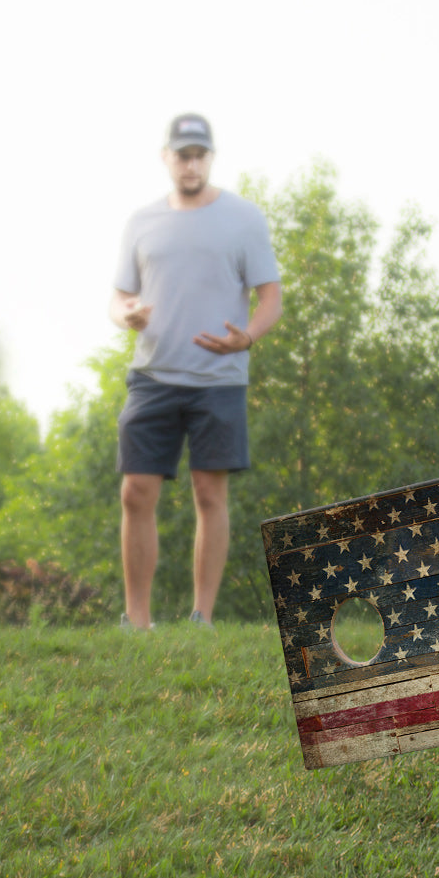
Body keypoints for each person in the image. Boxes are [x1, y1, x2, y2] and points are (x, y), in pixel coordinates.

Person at [110, 113, 282, 630]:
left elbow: (271, 297)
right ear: (167, 157)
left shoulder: (244, 218)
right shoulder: (140, 221)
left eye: (199, 154)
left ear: (210, 157)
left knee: (210, 493)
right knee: (135, 491)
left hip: (218, 379)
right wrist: (127, 314)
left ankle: (201, 617)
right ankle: (137, 620)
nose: (190, 163)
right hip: (152, 377)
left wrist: (247, 336)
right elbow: (119, 297)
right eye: (182, 154)